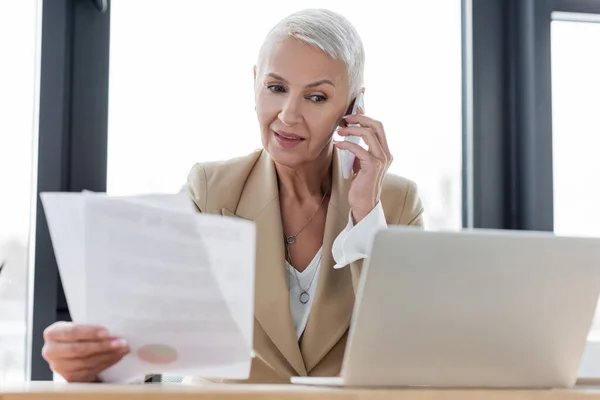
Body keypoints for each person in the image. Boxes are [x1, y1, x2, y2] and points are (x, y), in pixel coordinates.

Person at [41, 8, 424, 384]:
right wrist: (91, 360)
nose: (288, 116)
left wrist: (365, 214)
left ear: (354, 106)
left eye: (317, 97)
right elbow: (145, 336)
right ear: (255, 83)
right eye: (276, 88)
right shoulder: (211, 189)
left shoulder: (396, 202)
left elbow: (413, 352)